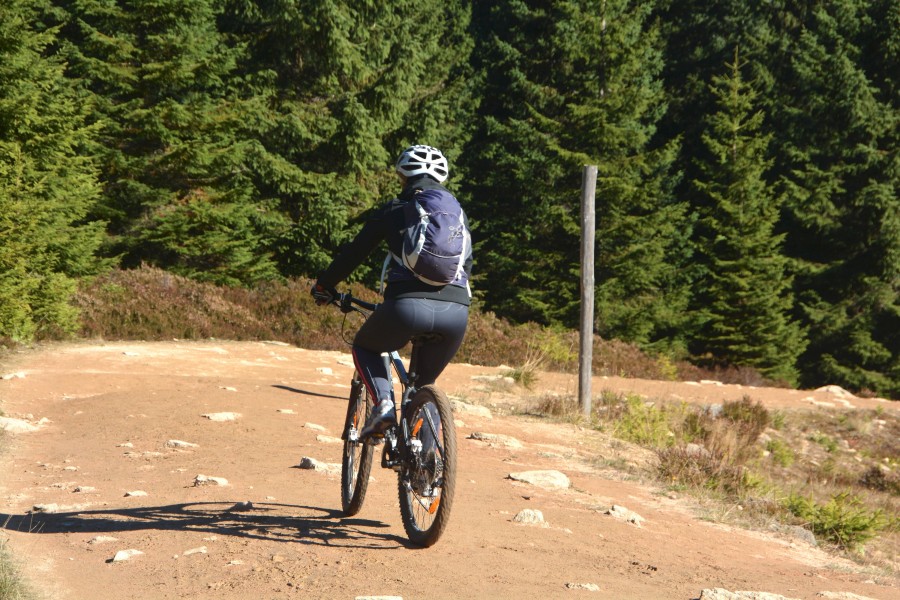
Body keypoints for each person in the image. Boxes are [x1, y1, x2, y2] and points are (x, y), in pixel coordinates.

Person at [311, 145, 472, 439]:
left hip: (406, 307)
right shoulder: (456, 215)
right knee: (424, 385)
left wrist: (324, 286)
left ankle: (384, 406)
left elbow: (353, 253)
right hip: (456, 312)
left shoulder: (394, 210)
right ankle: (429, 465)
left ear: (403, 175)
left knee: (366, 347)